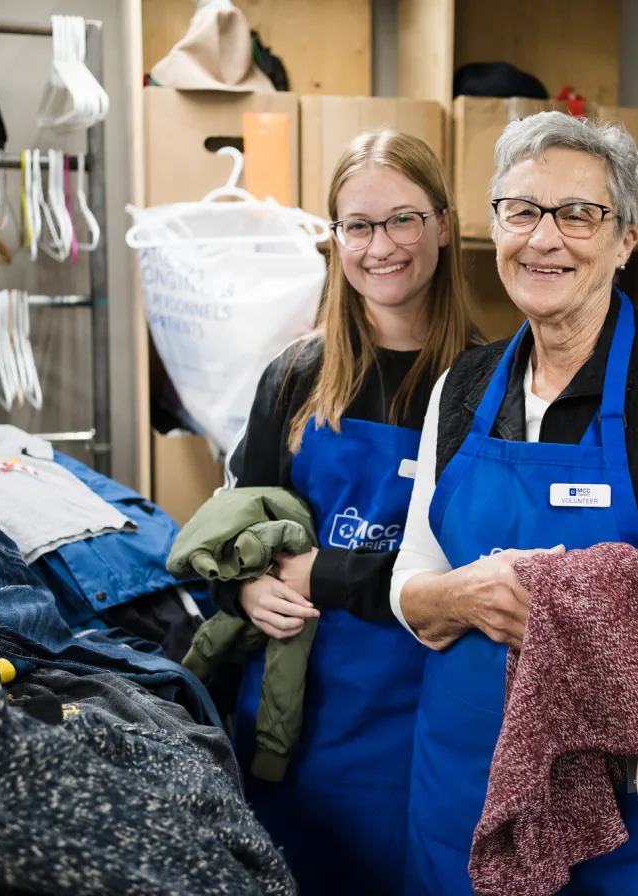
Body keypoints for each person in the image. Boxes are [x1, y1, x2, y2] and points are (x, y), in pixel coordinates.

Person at [390, 111, 638, 895]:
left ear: (624, 240)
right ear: (495, 227)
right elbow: (412, 580)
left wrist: (574, 609)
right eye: (523, 211)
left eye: (579, 215)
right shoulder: (462, 384)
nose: (545, 239)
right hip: (461, 792)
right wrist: (464, 595)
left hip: (629, 819)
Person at [218, 127, 476, 896]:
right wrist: (244, 587)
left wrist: (323, 571)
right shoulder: (296, 376)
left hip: (424, 725)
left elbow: (478, 573)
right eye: (357, 225)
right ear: (335, 239)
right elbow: (237, 529)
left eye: (402, 219)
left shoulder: (486, 387)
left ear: (443, 225)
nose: (380, 245)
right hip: (297, 729)